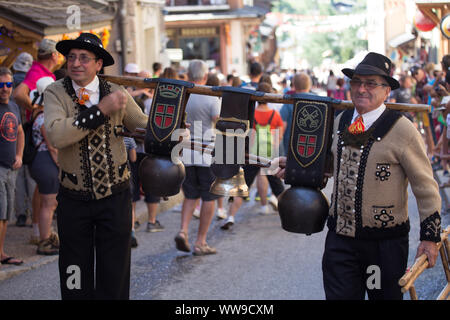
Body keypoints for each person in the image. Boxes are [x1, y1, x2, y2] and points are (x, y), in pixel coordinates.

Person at [275, 52, 441, 300]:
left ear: (387, 91)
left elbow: (425, 187)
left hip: (382, 247)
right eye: (357, 82)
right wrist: (301, 166)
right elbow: (338, 165)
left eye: (371, 83)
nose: (362, 89)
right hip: (341, 243)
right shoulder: (343, 122)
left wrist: (430, 238)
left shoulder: (402, 130)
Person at [43, 33, 148, 299]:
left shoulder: (117, 92)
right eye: (72, 57)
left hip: (115, 197)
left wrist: (174, 127)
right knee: (74, 271)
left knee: (114, 271)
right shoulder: (55, 92)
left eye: (84, 58)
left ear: (98, 64)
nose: (75, 63)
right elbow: (57, 135)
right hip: (74, 199)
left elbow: (143, 126)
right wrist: (101, 110)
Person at [221, 82, 285, 230]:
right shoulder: (275, 115)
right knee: (278, 189)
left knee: (241, 187)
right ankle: (290, 217)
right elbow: (278, 137)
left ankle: (230, 217)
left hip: (251, 155)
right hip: (269, 156)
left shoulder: (251, 114)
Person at [175, 59, 221, 256]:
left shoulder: (184, 95)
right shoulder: (210, 96)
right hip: (205, 150)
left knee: (190, 195)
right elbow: (217, 121)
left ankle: (183, 231)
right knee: (208, 196)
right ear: (205, 75)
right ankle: (200, 241)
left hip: (186, 150)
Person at [13, 39, 59, 228]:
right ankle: (40, 230)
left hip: (37, 133)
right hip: (40, 136)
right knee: (44, 192)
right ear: (54, 55)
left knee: (41, 188)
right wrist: (36, 109)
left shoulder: (40, 71)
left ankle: (37, 226)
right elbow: (18, 94)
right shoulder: (37, 72)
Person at [29, 76, 60, 255]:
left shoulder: (37, 114)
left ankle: (45, 237)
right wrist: (61, 165)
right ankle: (45, 240)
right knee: (49, 204)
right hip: (46, 161)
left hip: (40, 162)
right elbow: (52, 147)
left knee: (47, 203)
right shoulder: (44, 118)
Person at [0, 67, 24, 266]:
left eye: (8, 84)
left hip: (11, 167)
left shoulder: (14, 107)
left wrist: (19, 155)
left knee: (6, 214)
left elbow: (20, 132)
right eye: (1, 85)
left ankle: (1, 252)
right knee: (0, 211)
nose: (5, 89)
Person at [280, 72, 314, 156]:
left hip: (290, 150)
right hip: (312, 150)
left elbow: (282, 128)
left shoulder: (288, 103)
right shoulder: (318, 102)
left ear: (294, 85)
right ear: (309, 85)